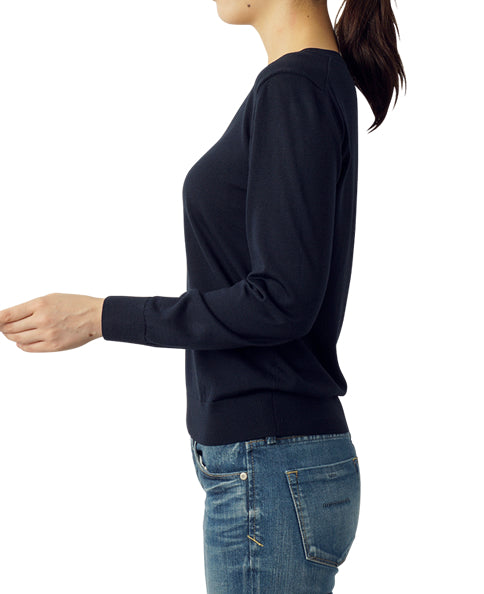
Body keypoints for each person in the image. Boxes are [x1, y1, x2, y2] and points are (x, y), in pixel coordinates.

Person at [0, 0, 406, 591]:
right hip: (269, 463)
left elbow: (281, 300)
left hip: (268, 465)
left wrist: (98, 317)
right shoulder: (307, 82)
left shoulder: (295, 86)